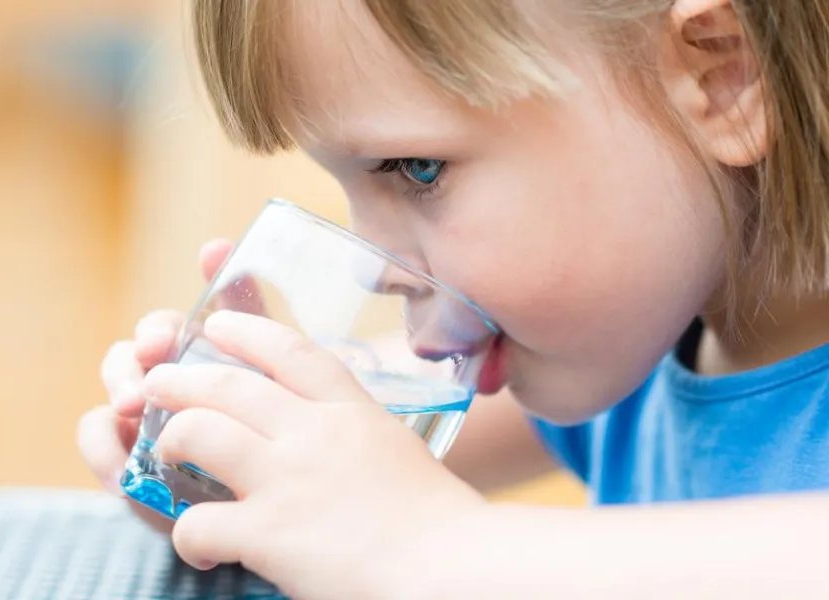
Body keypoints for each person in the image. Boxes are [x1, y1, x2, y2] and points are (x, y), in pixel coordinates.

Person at [79, 0, 829, 597]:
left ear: (721, 82)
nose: (375, 268)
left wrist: (437, 551)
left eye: (419, 170)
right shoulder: (623, 344)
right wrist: (234, 449)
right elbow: (355, 461)